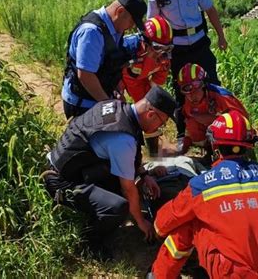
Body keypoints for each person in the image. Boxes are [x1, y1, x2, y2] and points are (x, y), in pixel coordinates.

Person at [148, 111, 258, 279]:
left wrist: (156, 229)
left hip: (233, 274)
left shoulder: (201, 185)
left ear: (215, 145)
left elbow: (166, 220)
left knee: (187, 224)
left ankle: (158, 276)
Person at [43, 86, 176, 260]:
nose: (161, 127)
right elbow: (128, 188)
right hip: (59, 182)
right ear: (151, 114)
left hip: (67, 165)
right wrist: (141, 222)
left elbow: (129, 158)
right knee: (118, 207)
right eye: (163, 122)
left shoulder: (118, 108)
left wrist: (144, 175)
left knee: (122, 187)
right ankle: (89, 244)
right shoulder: (123, 139)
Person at [147, 0, 228, 142]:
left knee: (212, 84)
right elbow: (153, 23)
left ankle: (225, 125)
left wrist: (221, 36)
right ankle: (183, 134)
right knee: (181, 90)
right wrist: (158, 54)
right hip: (176, 49)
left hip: (199, 43)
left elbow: (210, 10)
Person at [61, 0, 147, 119]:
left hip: (98, 96)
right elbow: (85, 75)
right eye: (131, 22)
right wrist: (108, 104)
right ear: (120, 12)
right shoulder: (92, 32)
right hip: (82, 102)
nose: (132, 27)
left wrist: (116, 91)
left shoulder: (115, 27)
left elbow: (110, 63)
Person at [121, 15, 174, 156]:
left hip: (140, 83)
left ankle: (154, 156)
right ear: (145, 42)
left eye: (168, 48)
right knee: (119, 115)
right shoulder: (127, 48)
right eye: (158, 48)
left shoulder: (163, 59)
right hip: (118, 80)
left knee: (151, 114)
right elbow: (111, 73)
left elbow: (156, 84)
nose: (163, 53)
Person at [177, 63, 248, 159]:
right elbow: (189, 129)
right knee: (192, 122)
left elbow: (242, 120)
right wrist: (182, 151)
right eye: (187, 91)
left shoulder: (222, 96)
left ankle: (232, 154)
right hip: (213, 138)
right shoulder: (188, 101)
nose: (192, 95)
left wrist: (215, 121)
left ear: (204, 84)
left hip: (237, 139)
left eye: (196, 89)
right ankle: (210, 152)